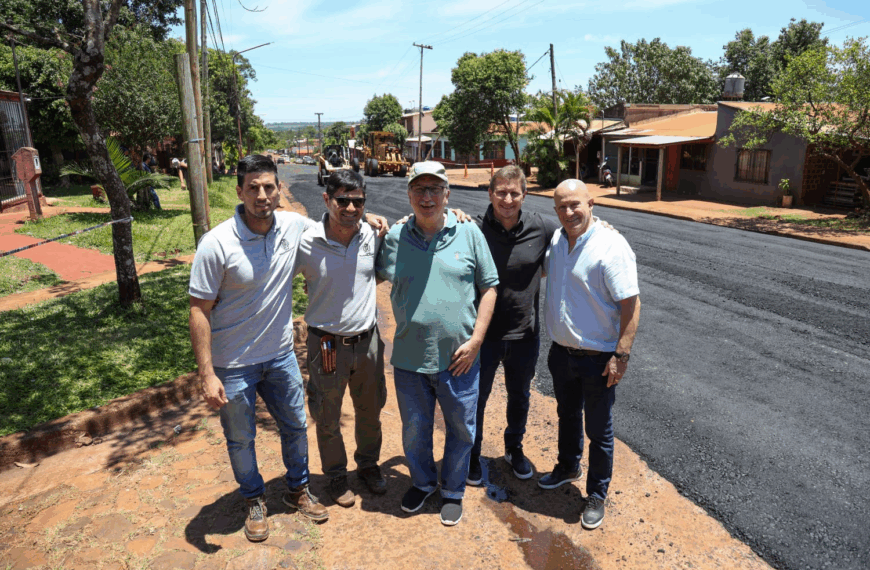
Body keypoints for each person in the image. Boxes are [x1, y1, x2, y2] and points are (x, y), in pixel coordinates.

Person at [188, 154, 331, 542]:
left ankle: (297, 489)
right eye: (253, 187)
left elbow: (333, 230)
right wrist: (207, 373)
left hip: (281, 355)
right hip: (233, 364)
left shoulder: (292, 225)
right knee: (240, 438)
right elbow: (199, 310)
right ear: (239, 191)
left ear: (279, 189)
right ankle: (253, 498)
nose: (262, 195)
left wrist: (371, 220)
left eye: (269, 186)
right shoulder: (216, 243)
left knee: (296, 426)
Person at [376, 161, 499, 527]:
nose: (427, 197)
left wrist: (476, 340)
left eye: (435, 189)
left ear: (448, 194)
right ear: (409, 194)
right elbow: (365, 269)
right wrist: (372, 222)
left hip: (460, 359)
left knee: (462, 430)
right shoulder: (396, 238)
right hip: (410, 358)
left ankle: (453, 491)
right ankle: (424, 482)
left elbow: (489, 286)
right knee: (415, 430)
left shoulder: (469, 232)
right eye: (419, 189)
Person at [539, 179, 641, 531]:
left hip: (598, 358)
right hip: (561, 353)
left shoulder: (611, 245)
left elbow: (631, 303)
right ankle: (568, 466)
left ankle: (597, 494)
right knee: (567, 415)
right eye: (562, 207)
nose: (569, 212)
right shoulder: (556, 240)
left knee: (599, 430)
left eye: (575, 205)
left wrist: (621, 355)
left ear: (591, 203)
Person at [294, 169, 388, 509]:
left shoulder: (374, 234)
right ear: (326, 200)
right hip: (326, 345)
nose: (350, 208)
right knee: (327, 413)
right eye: (342, 200)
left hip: (368, 341)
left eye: (358, 201)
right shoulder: (305, 240)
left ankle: (368, 465)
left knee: (371, 409)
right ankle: (335, 474)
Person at [468, 165, 561, 485]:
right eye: (500, 192)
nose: (507, 199)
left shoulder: (542, 227)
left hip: (525, 334)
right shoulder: (473, 228)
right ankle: (472, 455)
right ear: (490, 192)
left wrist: (603, 225)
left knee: (520, 396)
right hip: (482, 337)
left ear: (525, 194)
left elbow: (576, 230)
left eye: (514, 193)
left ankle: (514, 448)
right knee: (475, 399)